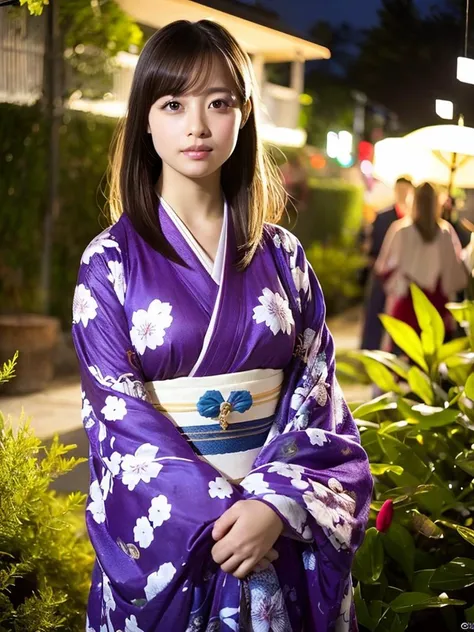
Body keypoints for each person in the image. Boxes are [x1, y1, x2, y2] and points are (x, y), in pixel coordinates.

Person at [72, 20, 372, 632]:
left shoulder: (283, 255)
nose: (197, 125)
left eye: (219, 102)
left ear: (244, 113)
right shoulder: (108, 262)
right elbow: (118, 418)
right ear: (144, 120)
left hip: (274, 527)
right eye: (173, 103)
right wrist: (227, 513)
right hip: (180, 532)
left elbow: (317, 395)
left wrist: (277, 504)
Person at [375, 182, 467, 344]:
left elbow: (384, 268)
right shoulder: (445, 232)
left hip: (406, 304)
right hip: (436, 308)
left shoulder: (401, 230)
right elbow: (455, 275)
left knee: (402, 358)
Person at [360, 176, 414, 350]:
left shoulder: (414, 222)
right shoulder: (384, 217)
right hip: (383, 274)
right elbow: (372, 245)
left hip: (404, 279)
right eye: (400, 190)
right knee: (375, 316)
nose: (402, 194)